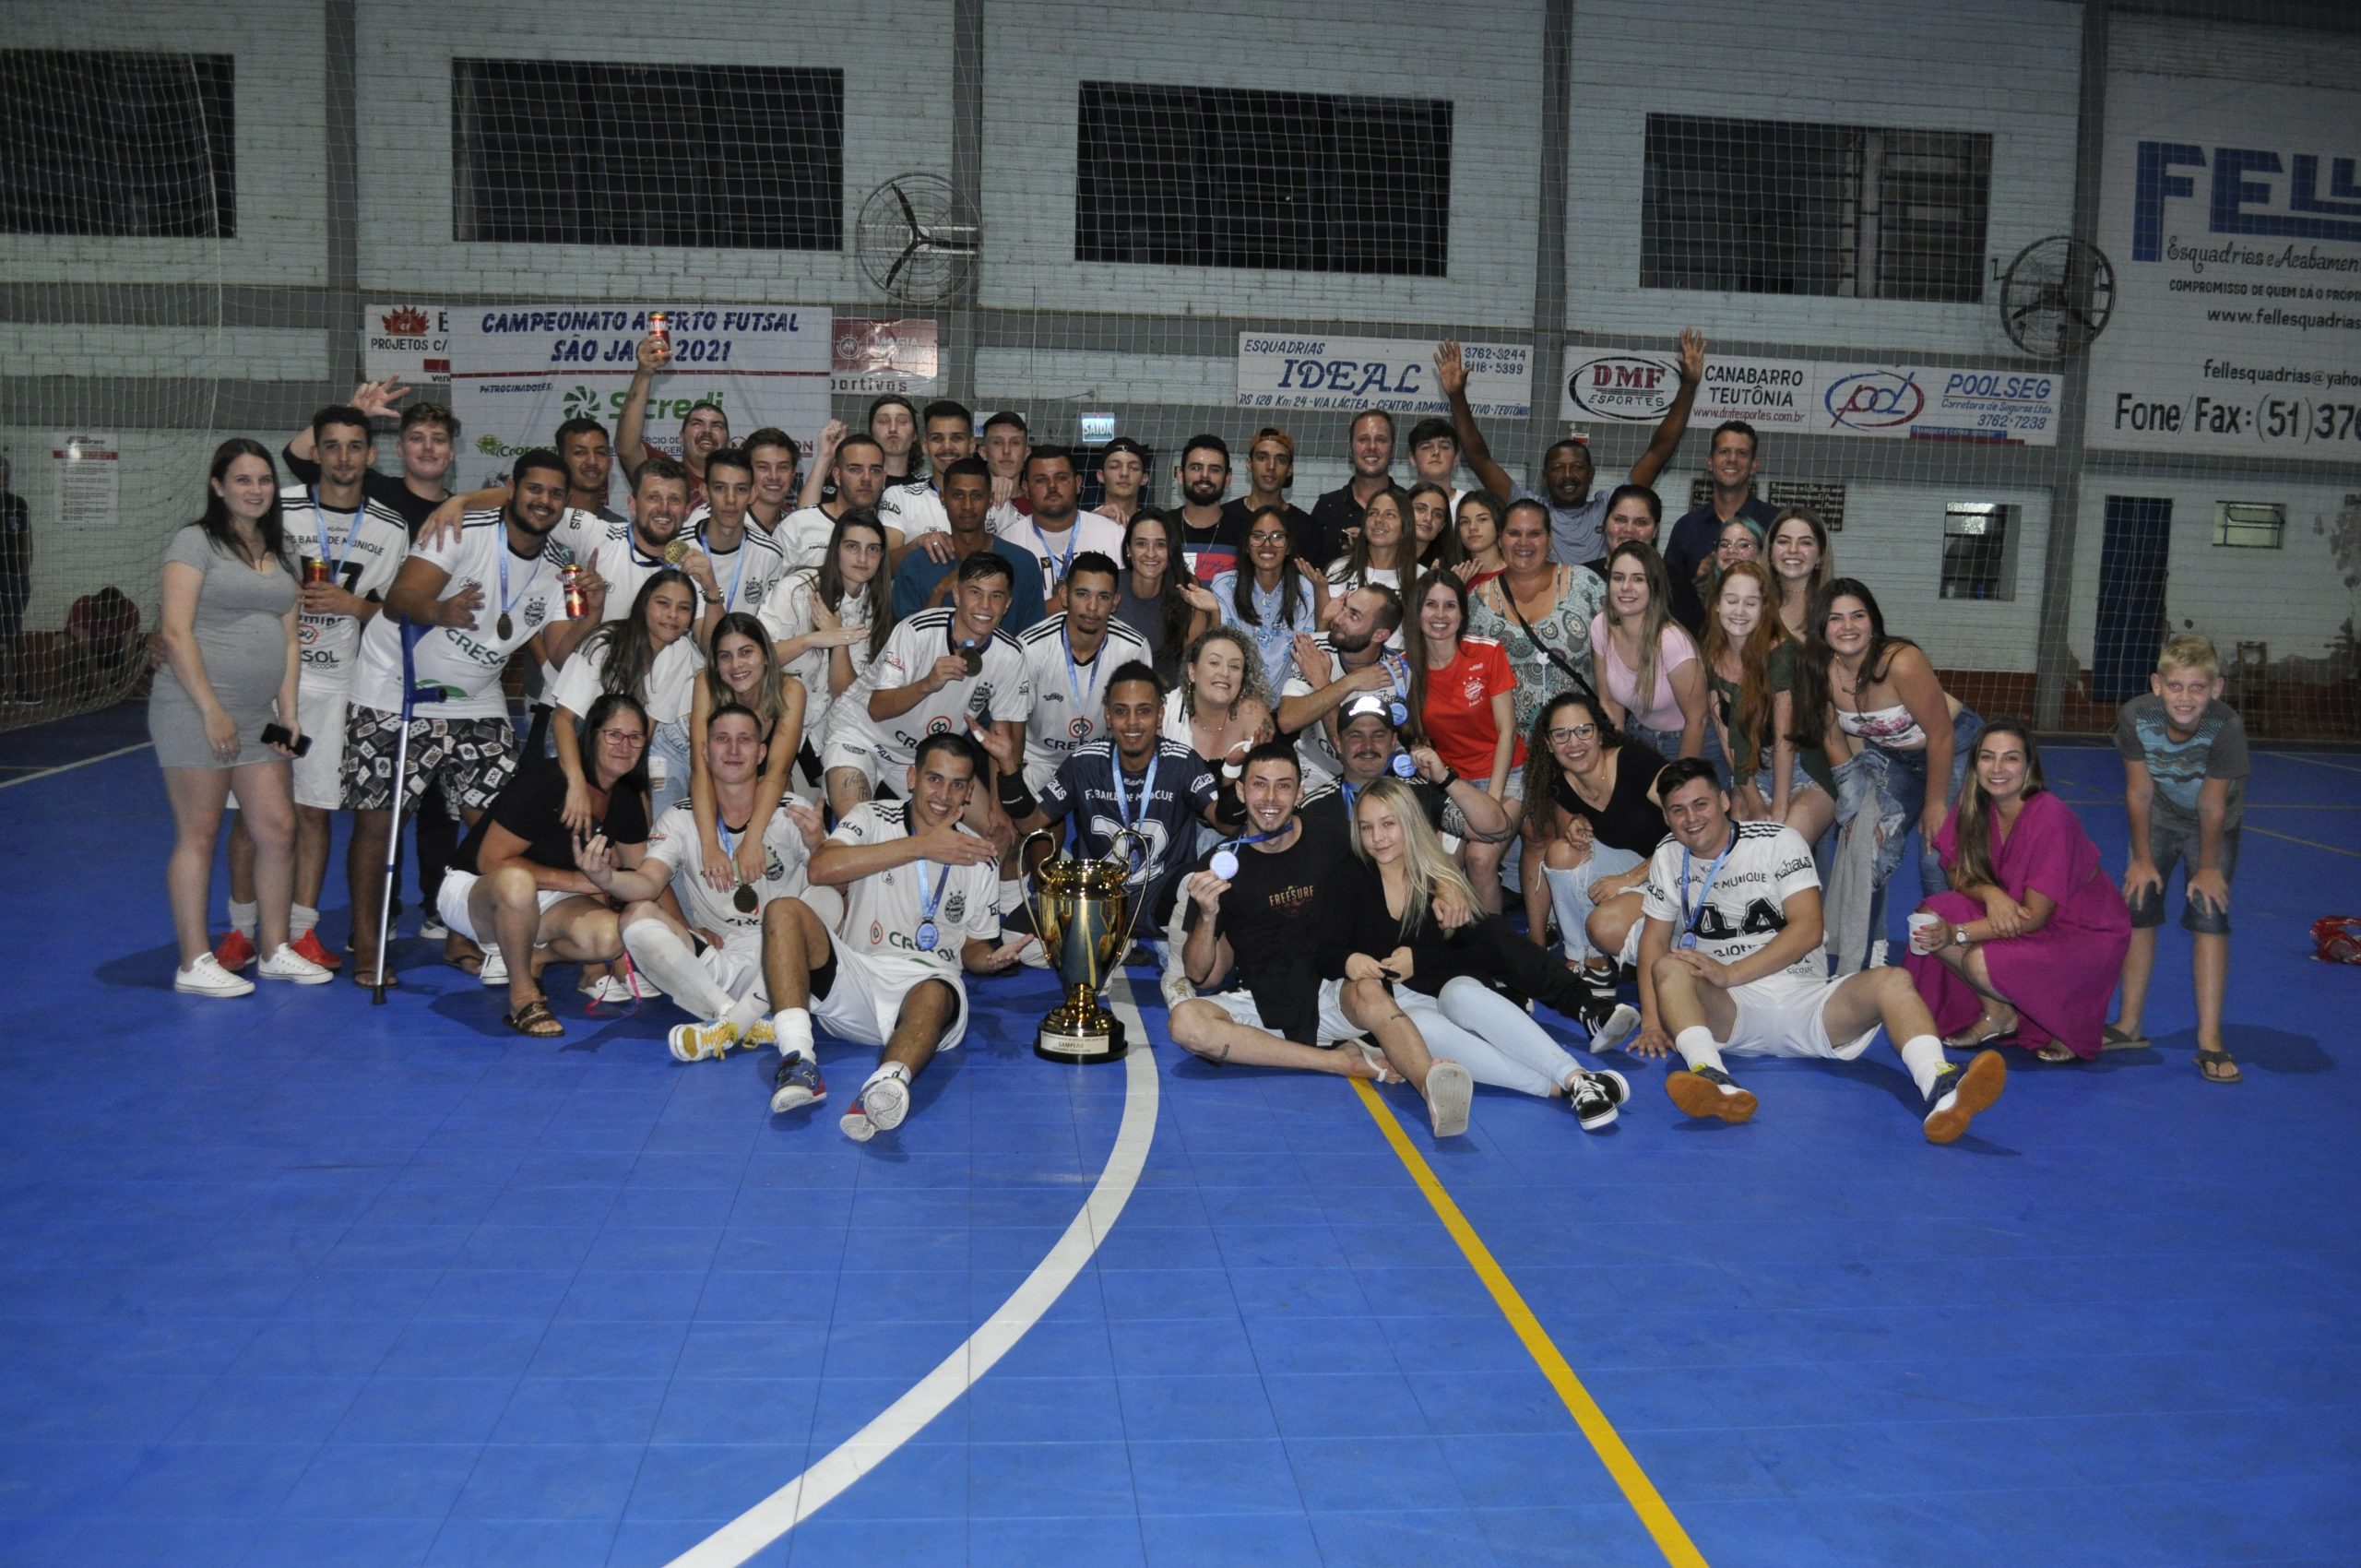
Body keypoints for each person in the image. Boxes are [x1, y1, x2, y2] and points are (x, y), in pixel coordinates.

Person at [1632, 759, 2008, 1146]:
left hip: (1805, 999)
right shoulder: (1668, 855)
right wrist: (1652, 1021)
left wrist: (1730, 973)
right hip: (1729, 1010)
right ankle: (1714, 1078)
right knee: (1670, 966)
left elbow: (1809, 930)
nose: (1691, 818)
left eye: (1701, 804)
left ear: (1724, 801)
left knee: (1893, 981)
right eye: (1678, 810)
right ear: (1666, 817)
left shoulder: (1777, 841)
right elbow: (1654, 942)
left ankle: (1941, 1086)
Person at [343, 448, 600, 988]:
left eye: (556, 494)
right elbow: (399, 600)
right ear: (512, 489)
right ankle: (368, 945)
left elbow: (558, 655)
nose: (544, 501)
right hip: (396, 684)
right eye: (534, 489)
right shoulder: (462, 532)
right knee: (380, 824)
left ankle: (464, 930)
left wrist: (589, 617)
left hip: (477, 695)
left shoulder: (559, 566)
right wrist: (441, 610)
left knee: (497, 824)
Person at [1169, 742, 1476, 1137]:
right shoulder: (1221, 864)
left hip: (1332, 992)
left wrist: (1448, 885)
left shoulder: (1332, 837)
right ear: (1241, 791)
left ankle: (1432, 1091)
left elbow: (1404, 851)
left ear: (1299, 793)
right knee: (1186, 1022)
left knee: (1367, 988)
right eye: (1259, 784)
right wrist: (1208, 916)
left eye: (1283, 786)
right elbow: (1201, 976)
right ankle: (1337, 1061)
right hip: (1263, 1001)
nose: (1270, 798)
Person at [216, 405, 410, 976]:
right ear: (315, 452)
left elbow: (397, 613)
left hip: (335, 688)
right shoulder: (279, 507)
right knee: (249, 814)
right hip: (267, 682)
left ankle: (302, 933)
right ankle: (241, 930)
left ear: (371, 455)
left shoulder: (390, 527)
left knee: (314, 812)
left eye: (355, 446)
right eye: (332, 445)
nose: (344, 457)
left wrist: (355, 606)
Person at [757, 732, 1027, 1138]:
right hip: (856, 978)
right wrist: (921, 847)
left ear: (970, 793)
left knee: (935, 991)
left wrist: (988, 961)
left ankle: (884, 1086)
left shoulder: (980, 857)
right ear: (912, 777)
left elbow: (973, 946)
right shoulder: (871, 816)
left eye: (957, 785)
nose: (944, 795)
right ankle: (798, 1059)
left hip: (925, 989)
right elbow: (821, 869)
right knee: (783, 910)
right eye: (934, 779)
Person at [1350, 778, 1633, 1123]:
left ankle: (1580, 1026)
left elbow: (1492, 827)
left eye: (1388, 824)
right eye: (1367, 827)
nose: (1378, 836)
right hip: (1398, 1002)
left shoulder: (1420, 801)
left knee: (1482, 940)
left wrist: (1446, 880)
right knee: (1421, 1022)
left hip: (1444, 977)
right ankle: (1574, 1084)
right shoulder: (1344, 857)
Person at [151, 439, 326, 994]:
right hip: (194, 709)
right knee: (199, 834)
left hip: (257, 715)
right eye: (243, 480)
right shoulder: (194, 542)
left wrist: (288, 713)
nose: (256, 490)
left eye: (264, 479)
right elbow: (175, 631)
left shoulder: (281, 549)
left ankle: (274, 950)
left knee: (277, 829)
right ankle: (193, 961)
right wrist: (211, 711)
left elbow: (289, 639)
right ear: (218, 487)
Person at [589, 701, 826, 1062]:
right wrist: (606, 878)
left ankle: (732, 1022)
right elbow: (648, 884)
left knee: (828, 898)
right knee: (635, 916)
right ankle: (734, 1017)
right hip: (717, 960)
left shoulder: (793, 811)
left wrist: (817, 845)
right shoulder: (679, 817)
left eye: (745, 740)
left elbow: (837, 888)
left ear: (762, 752)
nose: (733, 750)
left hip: (785, 958)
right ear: (704, 751)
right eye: (722, 739)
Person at [1904, 721, 2131, 1062]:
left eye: (2010, 758)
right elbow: (1954, 870)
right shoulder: (1973, 804)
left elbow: (2034, 917)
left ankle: (2065, 1020)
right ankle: (1998, 1012)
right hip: (2017, 910)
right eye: (1987, 757)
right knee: (1929, 918)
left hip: (2081, 933)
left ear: (2029, 766)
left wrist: (1957, 933)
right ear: (1975, 763)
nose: (1997, 769)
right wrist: (1990, 894)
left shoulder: (2050, 816)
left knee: (1978, 961)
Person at [1792, 578, 1981, 959]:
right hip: (1896, 759)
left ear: (1873, 622)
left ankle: (1953, 958)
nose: (1847, 626)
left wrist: (1935, 804)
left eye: (1857, 616)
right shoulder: (1820, 670)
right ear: (1822, 627)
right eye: (1836, 618)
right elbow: (1834, 741)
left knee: (1935, 854)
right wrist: (1853, 807)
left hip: (1955, 748)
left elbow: (1941, 734)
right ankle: (1863, 955)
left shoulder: (1901, 661)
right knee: (1867, 846)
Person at [439, 691, 647, 1036]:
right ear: (591, 736)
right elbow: (491, 860)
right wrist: (581, 881)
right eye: (613, 734)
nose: (624, 745)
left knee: (613, 936)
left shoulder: (626, 797)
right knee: (517, 881)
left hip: (549, 899)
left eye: (635, 737)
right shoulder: (547, 780)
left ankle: (532, 956)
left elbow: (646, 877)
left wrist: (689, 938)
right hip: (477, 891)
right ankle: (523, 997)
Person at [975, 660, 1219, 944]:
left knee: (1198, 883)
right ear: (1107, 715)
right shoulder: (1085, 762)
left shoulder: (1182, 762)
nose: (1132, 722)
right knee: (1016, 937)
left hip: (1162, 894)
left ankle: (1174, 964)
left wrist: (1234, 776)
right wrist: (1008, 769)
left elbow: (1224, 823)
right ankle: (1109, 948)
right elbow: (1030, 823)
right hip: (1096, 897)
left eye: (1143, 710)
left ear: (1159, 714)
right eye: (1121, 711)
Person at [2105, 634, 2250, 1083]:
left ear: (2216, 688)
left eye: (2197, 687)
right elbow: (2138, 790)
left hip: (2214, 825)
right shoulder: (2136, 716)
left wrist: (2207, 869)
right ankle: (2129, 1024)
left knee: (2209, 913)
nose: (2185, 698)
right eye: (2175, 686)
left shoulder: (2226, 726)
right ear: (2157, 685)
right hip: (2159, 819)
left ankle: (2210, 1039)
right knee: (2138, 904)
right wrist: (2141, 858)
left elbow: (2212, 804)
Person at [1437, 331, 1704, 566]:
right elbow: (1480, 459)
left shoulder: (1611, 508)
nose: (1567, 475)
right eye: (1558, 468)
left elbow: (1658, 452)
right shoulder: (1529, 510)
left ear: (1591, 474)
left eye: (1577, 467)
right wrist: (1457, 397)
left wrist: (1689, 387)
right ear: (1544, 477)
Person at [825, 552, 1030, 837]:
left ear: (1007, 604)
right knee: (860, 833)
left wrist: (997, 805)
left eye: (996, 596)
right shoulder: (916, 631)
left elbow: (1002, 739)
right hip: (861, 734)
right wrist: (928, 683)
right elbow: (877, 709)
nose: (985, 605)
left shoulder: (1011, 656)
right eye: (975, 592)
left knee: (999, 835)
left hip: (923, 756)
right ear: (956, 595)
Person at [1519, 691, 1668, 996]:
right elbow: (1569, 834)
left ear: (1600, 733)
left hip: (1676, 873)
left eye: (1583, 731)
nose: (1573, 743)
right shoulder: (1562, 783)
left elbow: (1691, 831)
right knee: (1561, 852)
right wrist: (1574, 825)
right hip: (1634, 868)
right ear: (1548, 744)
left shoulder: (1635, 762)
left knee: (1604, 927)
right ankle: (1587, 961)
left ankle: (1673, 951)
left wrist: (1629, 878)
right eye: (1561, 735)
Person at [548, 570, 700, 842]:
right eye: (663, 603)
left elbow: (644, 736)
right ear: (644, 604)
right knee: (579, 827)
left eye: (684, 608)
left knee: (648, 832)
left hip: (623, 746)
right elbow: (562, 719)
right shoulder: (604, 644)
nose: (672, 615)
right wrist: (577, 784)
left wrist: (642, 809)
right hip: (574, 738)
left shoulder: (679, 652)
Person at [1296, 690, 1513, 881]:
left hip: (1416, 908)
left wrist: (1445, 778)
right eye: (1356, 736)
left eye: (1378, 735)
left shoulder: (1419, 792)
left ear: (1393, 742)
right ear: (1338, 743)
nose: (1368, 745)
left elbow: (1496, 829)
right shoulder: (1316, 807)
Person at [1405, 568, 1524, 910]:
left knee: (1480, 860)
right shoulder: (1406, 668)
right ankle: (1459, 939)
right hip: (1451, 781)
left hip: (1506, 773)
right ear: (1417, 612)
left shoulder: (1486, 653)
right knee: (1444, 867)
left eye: (1450, 606)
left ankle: (1494, 942)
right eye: (1431, 605)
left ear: (1462, 614)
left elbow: (1507, 731)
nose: (1440, 615)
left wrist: (1492, 801)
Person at [1703, 562, 1835, 846]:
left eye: (1751, 603)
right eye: (1731, 600)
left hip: (1802, 764)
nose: (1739, 611)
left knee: (1783, 842)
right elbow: (1728, 741)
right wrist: (1754, 803)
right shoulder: (1713, 657)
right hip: (1755, 767)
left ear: (1764, 610)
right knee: (1739, 846)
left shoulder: (1782, 653)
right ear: (1716, 605)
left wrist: (1778, 810)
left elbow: (1785, 740)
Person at [763, 511, 891, 799]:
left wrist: (838, 640)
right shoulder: (798, 589)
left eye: (873, 549)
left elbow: (844, 693)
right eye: (852, 547)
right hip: (775, 712)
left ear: (882, 556)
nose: (863, 558)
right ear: (836, 549)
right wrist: (811, 639)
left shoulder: (876, 609)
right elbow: (757, 660)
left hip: (827, 725)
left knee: (866, 792)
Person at [1467, 498, 1608, 749]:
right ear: (1499, 539)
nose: (1524, 543)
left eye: (1534, 534)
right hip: (1507, 752)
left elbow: (1616, 664)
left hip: (1578, 747)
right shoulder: (1476, 602)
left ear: (1550, 539)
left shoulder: (1587, 586)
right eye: (1514, 533)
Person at [1008, 552, 1151, 797]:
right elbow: (1013, 723)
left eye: (1103, 596)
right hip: (1040, 761)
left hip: (1102, 760)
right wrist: (1013, 786)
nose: (1092, 607)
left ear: (1115, 602)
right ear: (1064, 595)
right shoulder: (1031, 647)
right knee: (1026, 819)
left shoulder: (1133, 649)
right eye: (1082, 594)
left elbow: (1140, 723)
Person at [688, 612, 807, 899]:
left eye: (745, 652)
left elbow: (778, 772)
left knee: (779, 815)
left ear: (766, 655)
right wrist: (709, 846)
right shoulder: (706, 683)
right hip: (716, 777)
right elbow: (700, 768)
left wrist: (753, 838)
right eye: (725, 656)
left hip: (767, 779)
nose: (736, 665)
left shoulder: (791, 690)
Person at [1276, 583, 1409, 791]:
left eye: (1353, 616)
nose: (1338, 619)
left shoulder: (1398, 672)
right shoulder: (1314, 649)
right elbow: (1287, 721)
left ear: (1379, 635)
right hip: (1315, 766)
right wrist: (1350, 682)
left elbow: (1348, 752)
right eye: (1344, 608)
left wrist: (1322, 684)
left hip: (1373, 774)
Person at [283, 377, 457, 535]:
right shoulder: (369, 487)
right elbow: (296, 456)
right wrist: (353, 413)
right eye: (417, 438)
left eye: (438, 440)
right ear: (399, 448)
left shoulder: (459, 511)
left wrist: (464, 501)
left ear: (451, 452)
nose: (428, 447)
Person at [888, 457, 1044, 630]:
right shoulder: (914, 566)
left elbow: (1033, 640)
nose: (967, 506)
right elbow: (906, 640)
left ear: (990, 499)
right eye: (958, 495)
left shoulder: (1022, 563)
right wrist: (939, 591)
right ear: (942, 498)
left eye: (976, 496)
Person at [1590, 541, 1705, 761]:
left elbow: (1697, 719)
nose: (1626, 587)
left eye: (1638, 579)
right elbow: (1610, 704)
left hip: (1688, 740)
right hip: (1637, 735)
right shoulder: (1601, 627)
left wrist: (1682, 776)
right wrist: (1615, 761)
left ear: (1654, 586)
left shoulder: (1672, 642)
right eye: (1618, 578)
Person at [1663, 421, 1778, 636]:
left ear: (1755, 465)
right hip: (1698, 639)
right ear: (1709, 462)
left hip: (1763, 637)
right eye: (1724, 451)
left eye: (1742, 453)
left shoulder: (1774, 523)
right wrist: (1699, 581)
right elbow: (1668, 597)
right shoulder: (1686, 527)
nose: (1732, 459)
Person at [1211, 505, 1323, 694]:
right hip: (1233, 697)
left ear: (1288, 547)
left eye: (1277, 536)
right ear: (1246, 545)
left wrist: (1322, 594)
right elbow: (1216, 647)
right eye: (1258, 536)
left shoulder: (1305, 589)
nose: (1267, 544)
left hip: (1291, 700)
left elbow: (1314, 651)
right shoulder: (1225, 586)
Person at [679, 447, 787, 640]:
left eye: (741, 489)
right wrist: (712, 590)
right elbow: (707, 646)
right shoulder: (681, 548)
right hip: (687, 659)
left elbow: (769, 636)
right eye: (720, 488)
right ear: (705, 492)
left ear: (752, 494)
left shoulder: (770, 555)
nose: (730, 499)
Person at [999, 445, 1125, 608]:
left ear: (1078, 483)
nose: (1052, 486)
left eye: (1061, 478)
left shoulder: (1113, 534)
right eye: (1041, 480)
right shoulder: (1007, 543)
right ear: (1026, 488)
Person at [617, 330, 729, 505]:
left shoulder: (741, 483)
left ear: (728, 441)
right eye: (697, 423)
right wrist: (644, 373)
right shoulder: (664, 476)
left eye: (716, 426)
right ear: (681, 438)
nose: (707, 431)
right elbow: (627, 448)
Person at [586, 453, 694, 624]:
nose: (664, 508)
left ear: (687, 510)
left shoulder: (694, 561)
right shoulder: (599, 539)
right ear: (633, 505)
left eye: (674, 500)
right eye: (653, 498)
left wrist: (711, 592)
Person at [1163, 625, 1275, 788]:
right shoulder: (1165, 712)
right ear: (1192, 671)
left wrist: (1233, 767)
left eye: (1234, 666)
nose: (1225, 673)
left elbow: (1259, 791)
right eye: (1214, 663)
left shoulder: (1252, 713)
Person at [1115, 509, 1218, 685]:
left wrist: (1215, 613)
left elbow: (1198, 658)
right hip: (1114, 690)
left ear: (1170, 550)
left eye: (1160, 545)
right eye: (1141, 544)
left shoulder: (1186, 587)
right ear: (1128, 549)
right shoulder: (1110, 585)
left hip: (1167, 694)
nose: (1150, 553)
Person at [782, 428, 896, 569]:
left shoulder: (887, 530)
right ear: (837, 476)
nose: (866, 478)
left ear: (884, 478)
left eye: (875, 471)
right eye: (855, 469)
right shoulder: (798, 524)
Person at [1306, 408, 1396, 564]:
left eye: (1381, 440)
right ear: (1350, 448)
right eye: (1363, 440)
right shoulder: (1327, 507)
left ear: (1392, 448)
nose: (1372, 447)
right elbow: (1312, 570)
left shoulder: (1408, 505)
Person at [1218, 428, 1317, 564]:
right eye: (1262, 458)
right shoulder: (1223, 519)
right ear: (1249, 464)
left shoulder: (1306, 527)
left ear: (1290, 469)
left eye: (1281, 460)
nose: (1271, 466)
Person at [1323, 485, 1410, 624]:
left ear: (1406, 526)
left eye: (1390, 515)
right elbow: (1327, 627)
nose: (1379, 520)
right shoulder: (1339, 569)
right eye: (1373, 513)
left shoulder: (1420, 576)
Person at [1170, 435, 1244, 582]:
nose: (1204, 475)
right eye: (1196, 468)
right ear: (1180, 475)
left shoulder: (1245, 532)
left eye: (1215, 469)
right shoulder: (1163, 526)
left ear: (1228, 479)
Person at [1767, 505, 1834, 643]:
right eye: (1783, 541)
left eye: (1805, 543)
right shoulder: (1754, 603)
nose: (1793, 550)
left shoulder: (1834, 607)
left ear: (1820, 556)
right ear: (1770, 551)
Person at [1584, 483, 1664, 583]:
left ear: (1655, 530)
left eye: (1640, 522)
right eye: (1620, 520)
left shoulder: (1675, 581)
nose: (1629, 529)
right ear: (1605, 523)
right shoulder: (1581, 577)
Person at [742, 427, 803, 548]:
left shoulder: (793, 527)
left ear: (793, 473)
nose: (774, 476)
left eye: (783, 467)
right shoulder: (726, 521)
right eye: (763, 467)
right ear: (746, 472)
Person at [0, 454, 26, 706]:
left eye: (5, 471)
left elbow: (25, 539)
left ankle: (16, 686)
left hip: (13, 577)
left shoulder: (17, 503)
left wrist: (23, 574)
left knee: (13, 633)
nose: (4, 476)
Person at [1450, 489, 1507, 592]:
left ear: (1499, 523)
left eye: (1482, 519)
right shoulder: (1453, 576)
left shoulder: (1517, 575)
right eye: (1465, 522)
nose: (1472, 527)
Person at [1405, 419, 1464, 515]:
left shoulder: (1469, 506)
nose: (1436, 452)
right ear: (1412, 458)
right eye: (1426, 447)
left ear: (1456, 457)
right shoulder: (1399, 505)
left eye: (1444, 447)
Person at [1406, 481, 1464, 576]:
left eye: (1438, 515)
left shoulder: (1446, 570)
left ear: (1442, 526)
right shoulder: (1384, 556)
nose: (1428, 518)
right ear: (1404, 512)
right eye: (1421, 509)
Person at [1092, 435, 1150, 526]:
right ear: (1101, 476)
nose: (1124, 473)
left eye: (1134, 468)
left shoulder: (1152, 527)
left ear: (1144, 478)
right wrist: (1092, 519)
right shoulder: (1083, 524)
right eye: (1115, 466)